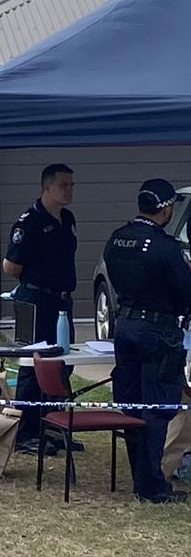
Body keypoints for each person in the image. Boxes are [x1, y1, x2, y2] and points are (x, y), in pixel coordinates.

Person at [103, 178, 191, 503]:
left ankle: (140, 476)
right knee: (156, 408)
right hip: (157, 332)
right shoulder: (165, 248)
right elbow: (185, 292)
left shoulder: (117, 239)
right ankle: (151, 485)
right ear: (165, 208)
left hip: (125, 326)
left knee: (131, 405)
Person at [3, 163, 77, 454]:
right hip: (35, 300)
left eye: (71, 185)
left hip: (61, 300)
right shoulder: (29, 222)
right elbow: (10, 265)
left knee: (62, 363)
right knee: (32, 366)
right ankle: (25, 431)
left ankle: (52, 425)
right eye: (63, 185)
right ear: (46, 188)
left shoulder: (68, 218)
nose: (69, 190)